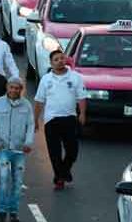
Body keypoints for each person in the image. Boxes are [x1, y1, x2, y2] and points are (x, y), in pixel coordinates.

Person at [34, 50, 86, 190]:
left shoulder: (75, 77)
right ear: (51, 63)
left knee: (72, 150)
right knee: (54, 152)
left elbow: (81, 97)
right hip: (51, 120)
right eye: (56, 59)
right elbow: (39, 101)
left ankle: (64, 171)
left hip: (70, 118)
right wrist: (35, 120)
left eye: (62, 58)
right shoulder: (46, 79)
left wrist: (82, 114)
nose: (60, 61)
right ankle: (60, 178)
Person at [0, 78, 34, 222]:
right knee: (4, 180)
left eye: (17, 88)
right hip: (3, 150)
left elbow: (31, 125)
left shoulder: (26, 105)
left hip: (19, 151)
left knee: (18, 182)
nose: (14, 90)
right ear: (7, 87)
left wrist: (28, 142)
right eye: (11, 87)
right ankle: (2, 211)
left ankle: (13, 212)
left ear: (21, 89)